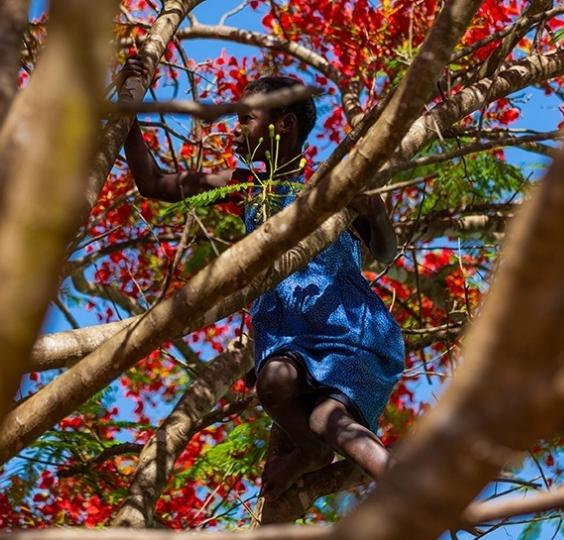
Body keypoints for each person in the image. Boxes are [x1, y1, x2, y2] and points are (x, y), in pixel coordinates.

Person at [119, 59, 404, 501]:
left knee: (327, 419)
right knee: (272, 381)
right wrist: (128, 110)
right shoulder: (245, 185)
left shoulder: (333, 185)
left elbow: (385, 249)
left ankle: (405, 483)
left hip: (350, 330)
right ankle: (311, 452)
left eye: (245, 119)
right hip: (288, 334)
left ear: (283, 125)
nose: (234, 131)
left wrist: (373, 209)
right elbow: (153, 182)